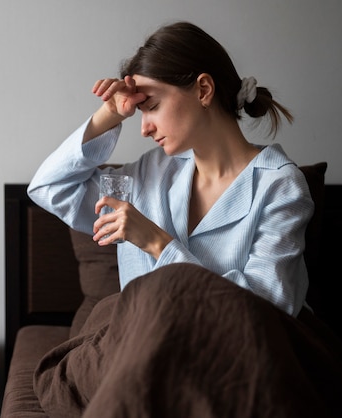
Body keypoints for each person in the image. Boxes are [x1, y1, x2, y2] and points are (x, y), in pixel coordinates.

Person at [28, 21, 313, 317]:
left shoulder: (280, 186)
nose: (144, 129)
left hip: (230, 357)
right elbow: (49, 188)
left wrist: (156, 243)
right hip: (144, 349)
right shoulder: (148, 173)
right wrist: (109, 115)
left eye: (151, 106)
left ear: (203, 89)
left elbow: (269, 310)